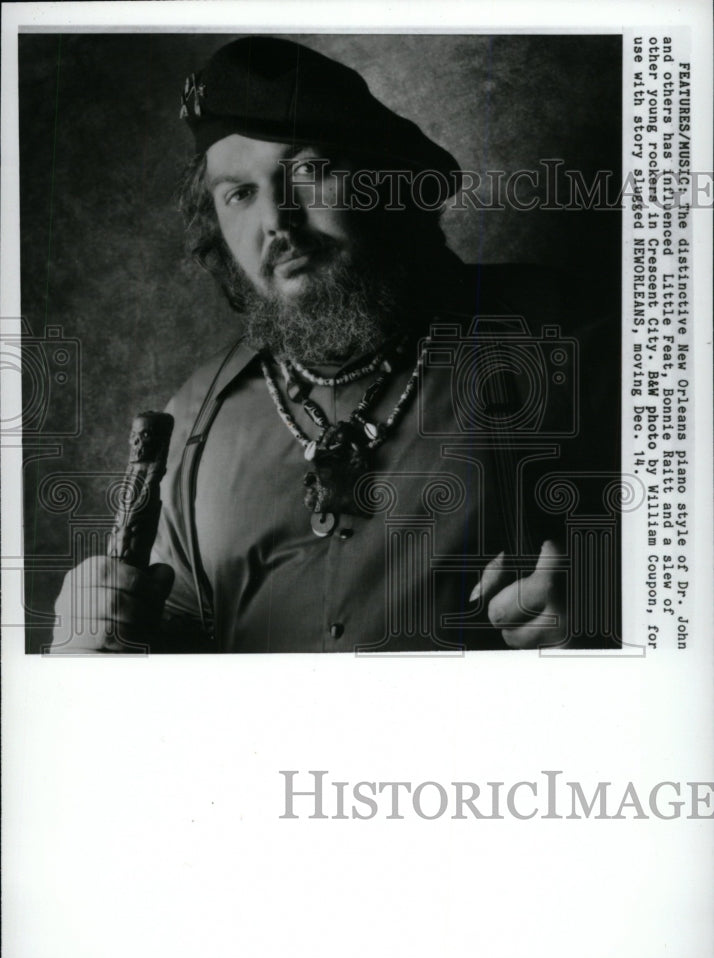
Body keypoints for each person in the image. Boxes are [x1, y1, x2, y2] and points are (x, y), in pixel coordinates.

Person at [51, 36, 619, 655]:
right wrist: (89, 657)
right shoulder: (195, 417)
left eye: (309, 171)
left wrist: (602, 621)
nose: (278, 219)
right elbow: (175, 658)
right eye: (239, 193)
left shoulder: (565, 340)